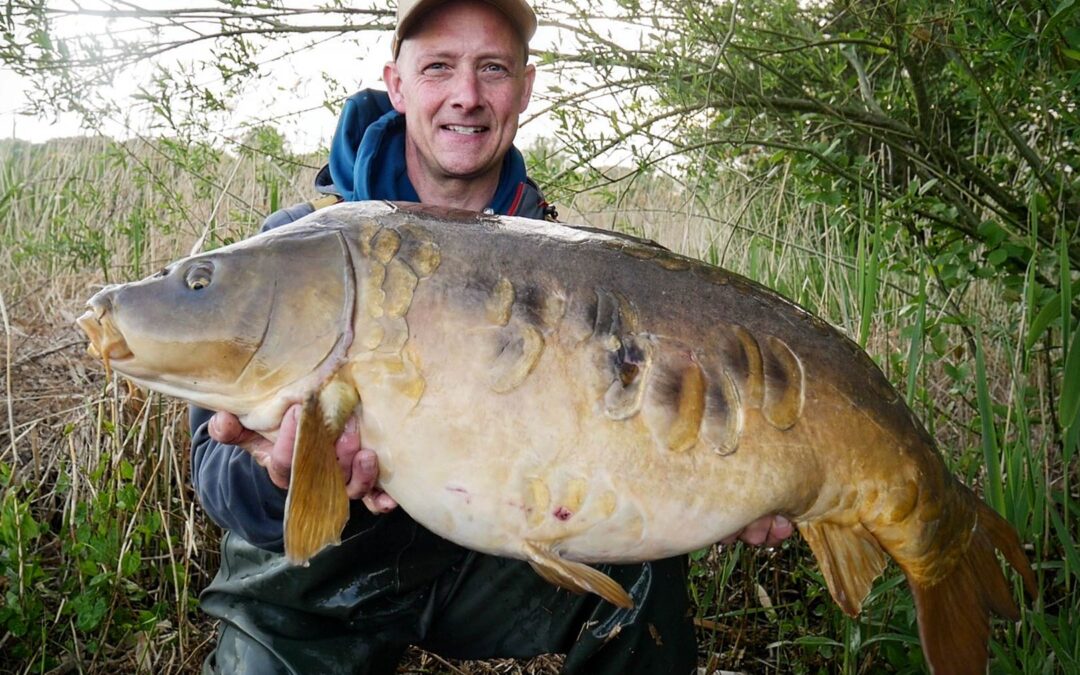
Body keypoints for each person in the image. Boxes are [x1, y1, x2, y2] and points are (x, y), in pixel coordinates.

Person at [190, 0, 793, 672]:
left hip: (482, 557)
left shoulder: (566, 270)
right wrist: (283, 474)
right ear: (397, 83)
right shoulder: (295, 249)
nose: (467, 96)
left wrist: (732, 483)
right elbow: (212, 469)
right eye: (439, 67)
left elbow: (627, 445)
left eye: (493, 69)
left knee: (647, 576)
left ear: (525, 88)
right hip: (312, 587)